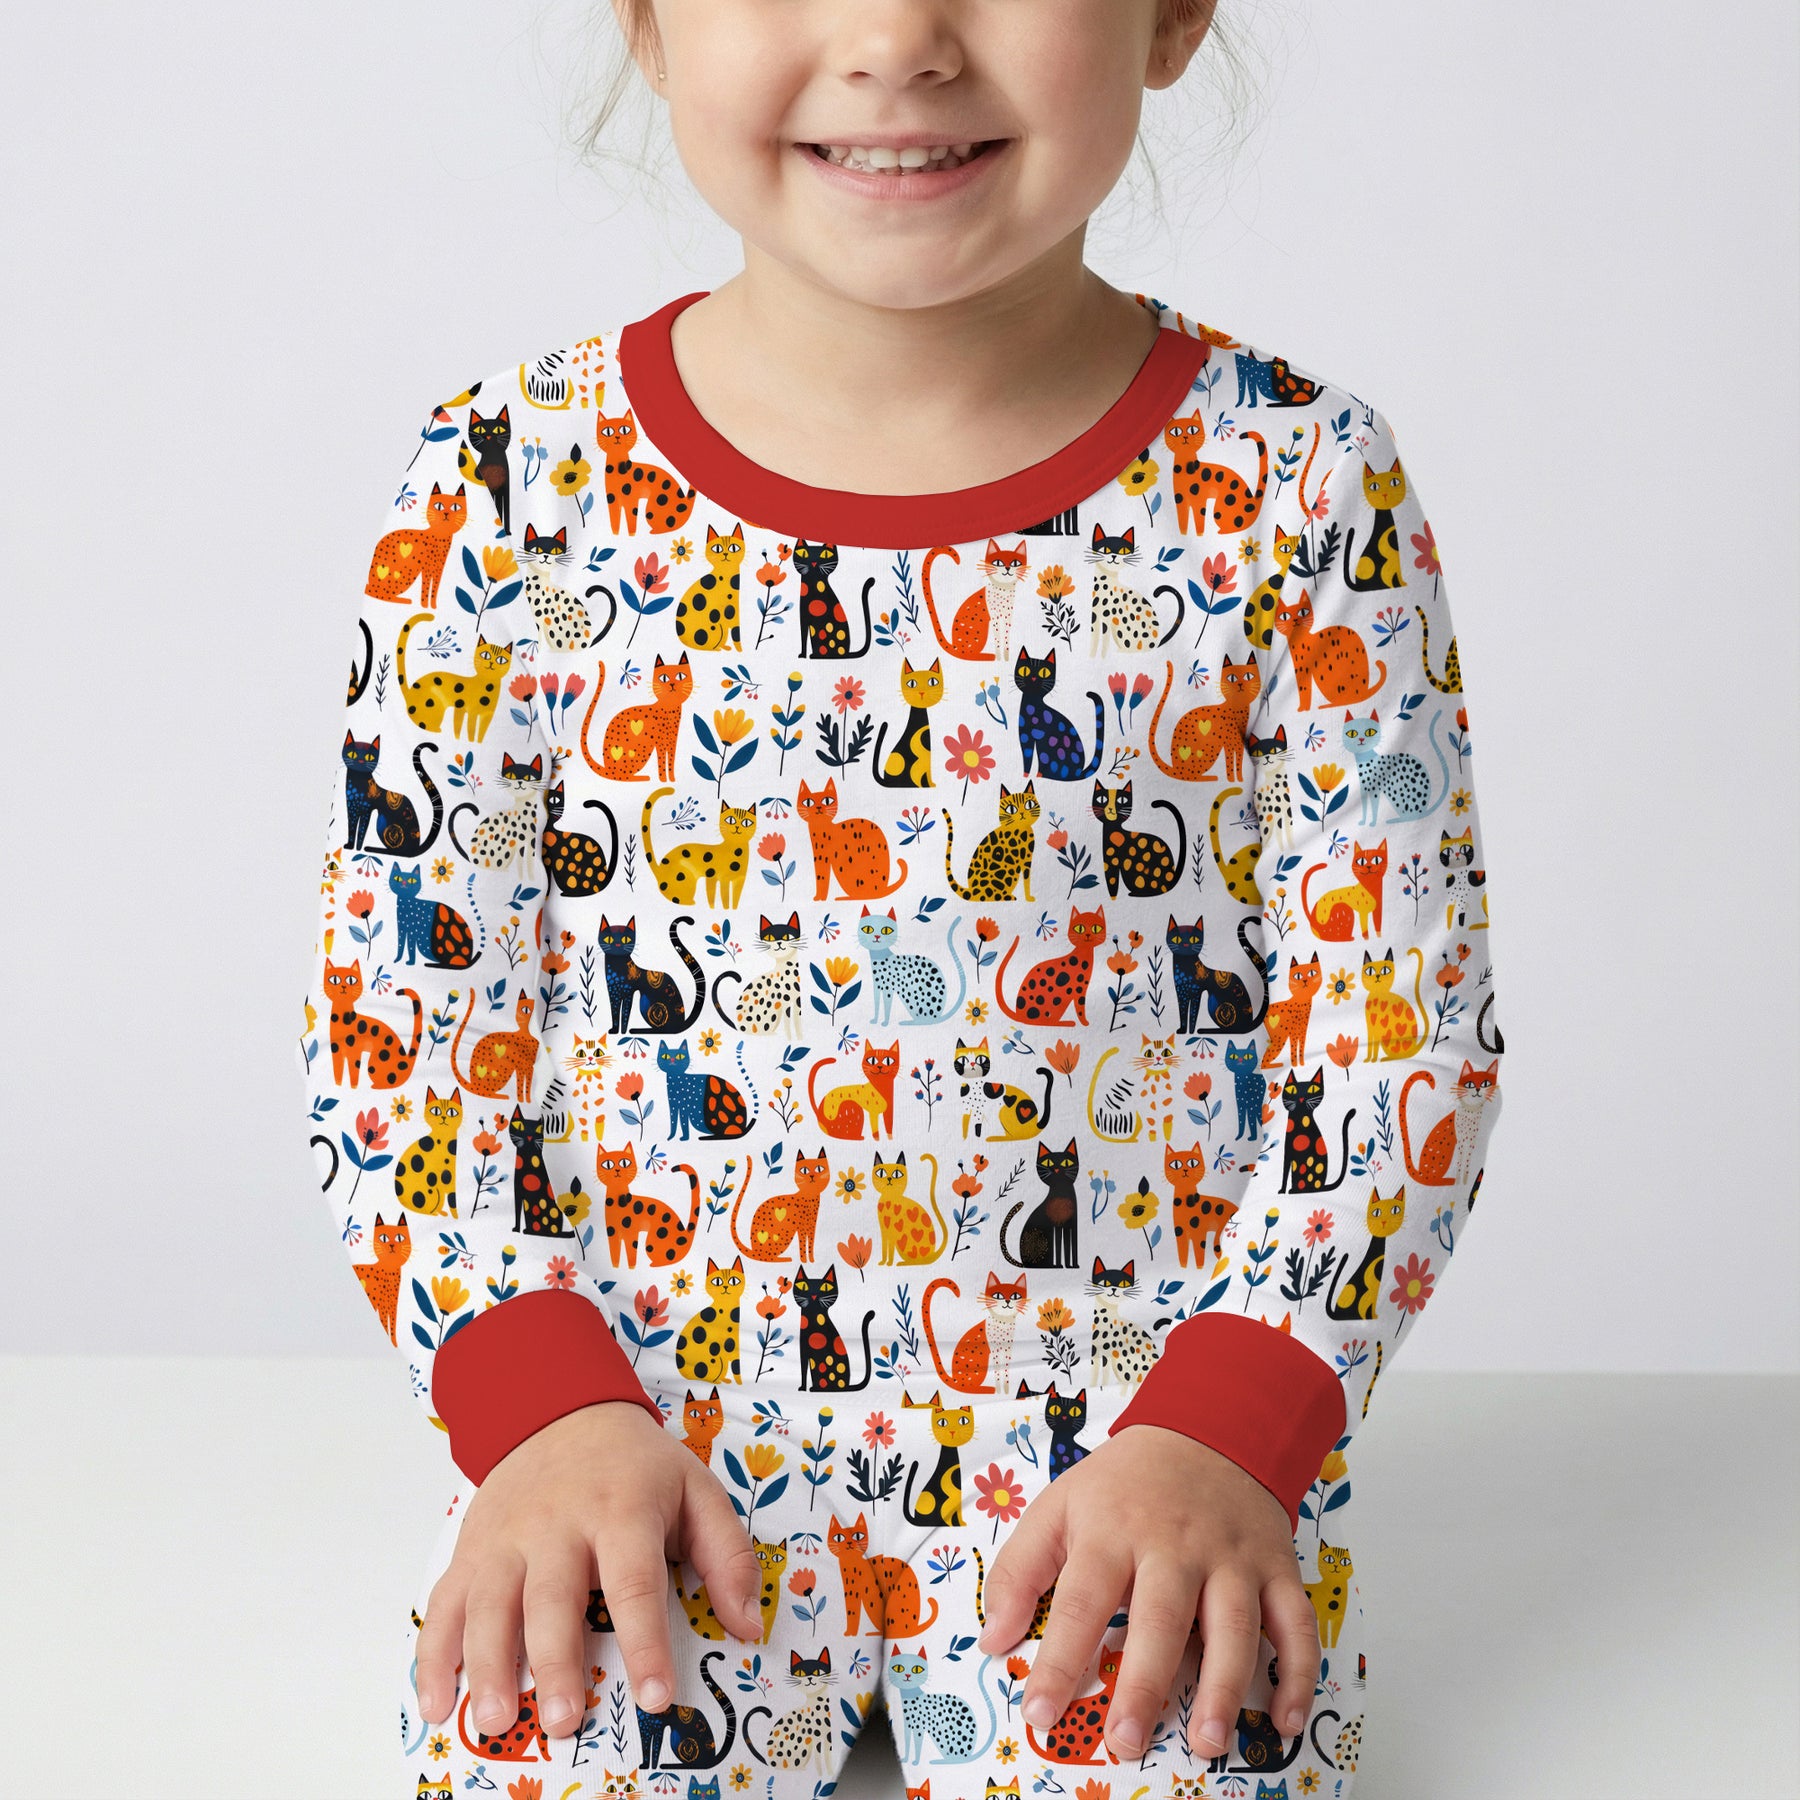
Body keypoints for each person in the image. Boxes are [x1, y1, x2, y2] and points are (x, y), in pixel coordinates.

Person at [294, 3, 1505, 1792]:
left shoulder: (1299, 491)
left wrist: (1228, 1434)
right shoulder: (505, 485)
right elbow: (403, 1035)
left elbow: (1399, 1037)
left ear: (1173, 15)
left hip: (1130, 1475)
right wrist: (538, 1415)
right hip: (643, 1465)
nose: (893, 38)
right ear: (646, 21)